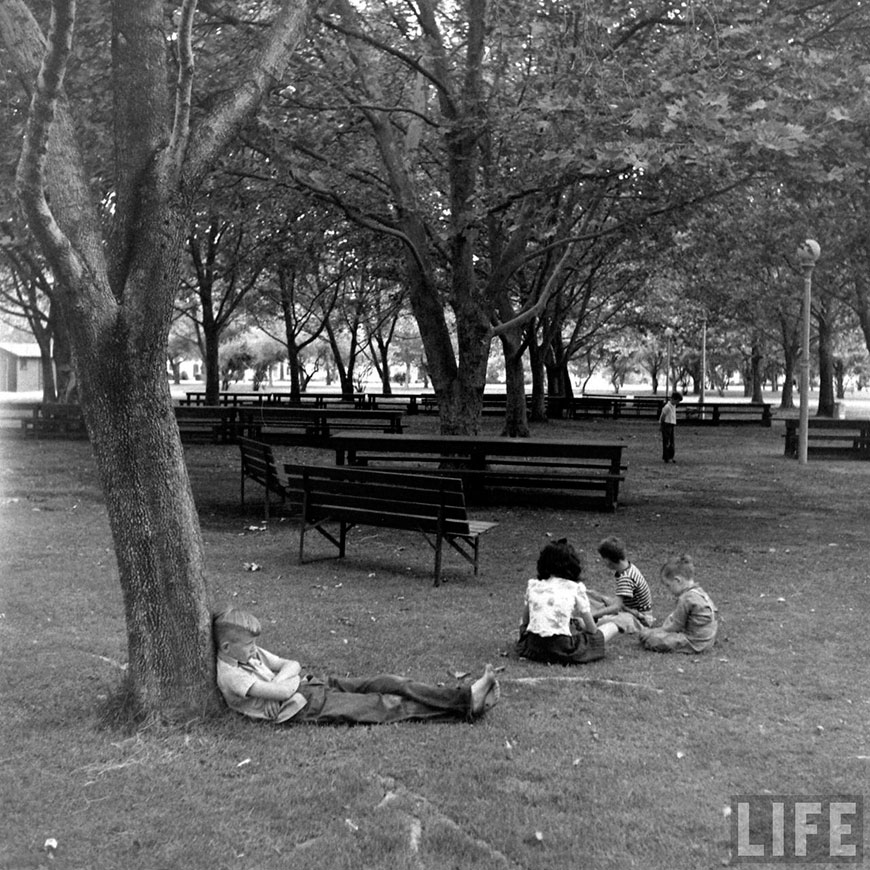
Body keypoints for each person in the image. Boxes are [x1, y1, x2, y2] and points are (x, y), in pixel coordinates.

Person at [213, 608, 500, 725]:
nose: (254, 650)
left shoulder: (249, 653)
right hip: (305, 706)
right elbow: (283, 689)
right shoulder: (232, 676)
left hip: (311, 685)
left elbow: (292, 665)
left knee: (390, 681)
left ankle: (464, 698)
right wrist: (282, 686)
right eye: (248, 646)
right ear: (227, 647)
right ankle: (467, 704)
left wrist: (279, 684)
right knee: (385, 705)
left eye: (253, 645)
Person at [515, 538, 619, 665]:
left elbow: (524, 622)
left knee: (525, 622)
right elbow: (592, 630)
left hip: (532, 647)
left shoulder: (534, 586)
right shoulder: (575, 588)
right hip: (562, 647)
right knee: (612, 627)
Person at [638, 554, 718, 653]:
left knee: (652, 639)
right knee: (670, 618)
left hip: (694, 642)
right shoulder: (700, 592)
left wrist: (655, 631)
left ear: (677, 580)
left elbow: (676, 626)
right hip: (708, 639)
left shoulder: (686, 598)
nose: (669, 590)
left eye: (668, 585)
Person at [590, 536, 655, 633]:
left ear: (608, 560)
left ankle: (589, 620)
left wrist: (593, 615)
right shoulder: (629, 567)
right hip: (627, 609)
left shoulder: (626, 577)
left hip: (638, 618)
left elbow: (616, 607)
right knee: (591, 594)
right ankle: (590, 614)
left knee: (609, 620)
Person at [659, 391, 683, 463]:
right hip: (666, 424)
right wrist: (661, 425)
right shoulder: (667, 407)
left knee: (671, 441)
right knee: (667, 441)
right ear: (674, 399)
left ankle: (670, 456)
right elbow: (662, 416)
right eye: (677, 401)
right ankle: (666, 457)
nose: (678, 403)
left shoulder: (673, 406)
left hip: (671, 424)